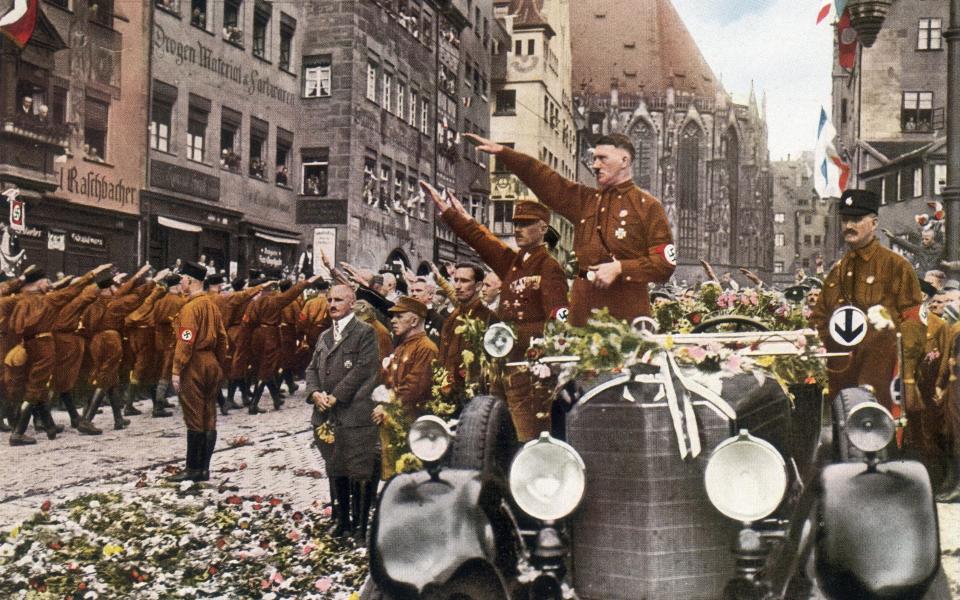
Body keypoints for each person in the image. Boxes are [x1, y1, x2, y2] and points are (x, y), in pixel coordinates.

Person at [465, 132, 675, 326]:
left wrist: (621, 268)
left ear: (624, 161)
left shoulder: (647, 206)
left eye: (602, 158)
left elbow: (665, 263)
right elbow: (547, 180)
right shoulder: (586, 201)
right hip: (583, 315)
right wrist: (504, 153)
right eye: (594, 159)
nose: (595, 165)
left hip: (627, 316)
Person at [428, 185, 568, 440]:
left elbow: (559, 319)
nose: (518, 229)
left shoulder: (549, 267)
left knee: (527, 437)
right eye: (516, 224)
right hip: (504, 366)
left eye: (526, 224)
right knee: (497, 436)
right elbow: (484, 243)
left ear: (543, 228)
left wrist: (546, 358)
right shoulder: (515, 264)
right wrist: (453, 215)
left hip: (529, 369)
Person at [810, 189, 926, 411]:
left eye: (856, 219)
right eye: (845, 220)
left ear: (874, 223)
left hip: (880, 376)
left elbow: (914, 321)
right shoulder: (839, 270)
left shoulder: (895, 266)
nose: (848, 226)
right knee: (841, 436)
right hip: (840, 375)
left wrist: (907, 372)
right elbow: (819, 317)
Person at [305, 284, 380, 540]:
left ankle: (359, 527)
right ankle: (341, 521)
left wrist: (336, 396)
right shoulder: (325, 335)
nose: (332, 304)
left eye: (338, 300)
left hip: (353, 413)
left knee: (358, 470)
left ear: (352, 302)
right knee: (335, 467)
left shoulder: (365, 333)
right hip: (326, 415)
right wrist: (315, 393)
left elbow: (363, 369)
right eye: (329, 300)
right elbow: (312, 369)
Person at [7, 264, 109, 445]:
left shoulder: (19, 300)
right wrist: (93, 274)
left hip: (26, 345)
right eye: (46, 281)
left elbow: (14, 327)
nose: (49, 284)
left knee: (35, 384)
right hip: (44, 345)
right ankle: (18, 433)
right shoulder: (48, 300)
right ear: (38, 283)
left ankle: (49, 425)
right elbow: (72, 291)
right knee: (36, 386)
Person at [168, 261, 228, 482]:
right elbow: (222, 338)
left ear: (190, 280)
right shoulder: (211, 305)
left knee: (194, 416)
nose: (180, 282)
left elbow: (186, 339)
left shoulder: (190, 308)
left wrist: (176, 369)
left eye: (182, 278)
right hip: (211, 361)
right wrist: (218, 364)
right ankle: (205, 468)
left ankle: (193, 469)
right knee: (209, 416)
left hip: (193, 362)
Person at [78, 265, 156, 434]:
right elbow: (136, 297)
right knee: (106, 377)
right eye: (113, 287)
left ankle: (118, 419)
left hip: (95, 341)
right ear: (108, 288)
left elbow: (86, 326)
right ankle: (87, 419)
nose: (116, 290)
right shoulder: (114, 304)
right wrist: (153, 282)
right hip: (111, 340)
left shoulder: (91, 306)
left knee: (110, 377)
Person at [373, 296, 438, 478]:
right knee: (394, 475)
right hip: (396, 420)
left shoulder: (425, 347)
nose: (393, 320)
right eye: (393, 316)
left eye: (399, 316)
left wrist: (387, 406)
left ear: (414, 320)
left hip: (411, 422)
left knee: (410, 476)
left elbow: (415, 386)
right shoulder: (403, 346)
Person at [437, 262, 493, 403]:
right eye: (456, 280)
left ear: (479, 286)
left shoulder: (488, 318)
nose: (457, 286)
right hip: (445, 395)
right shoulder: (452, 317)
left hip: (472, 399)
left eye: (464, 281)